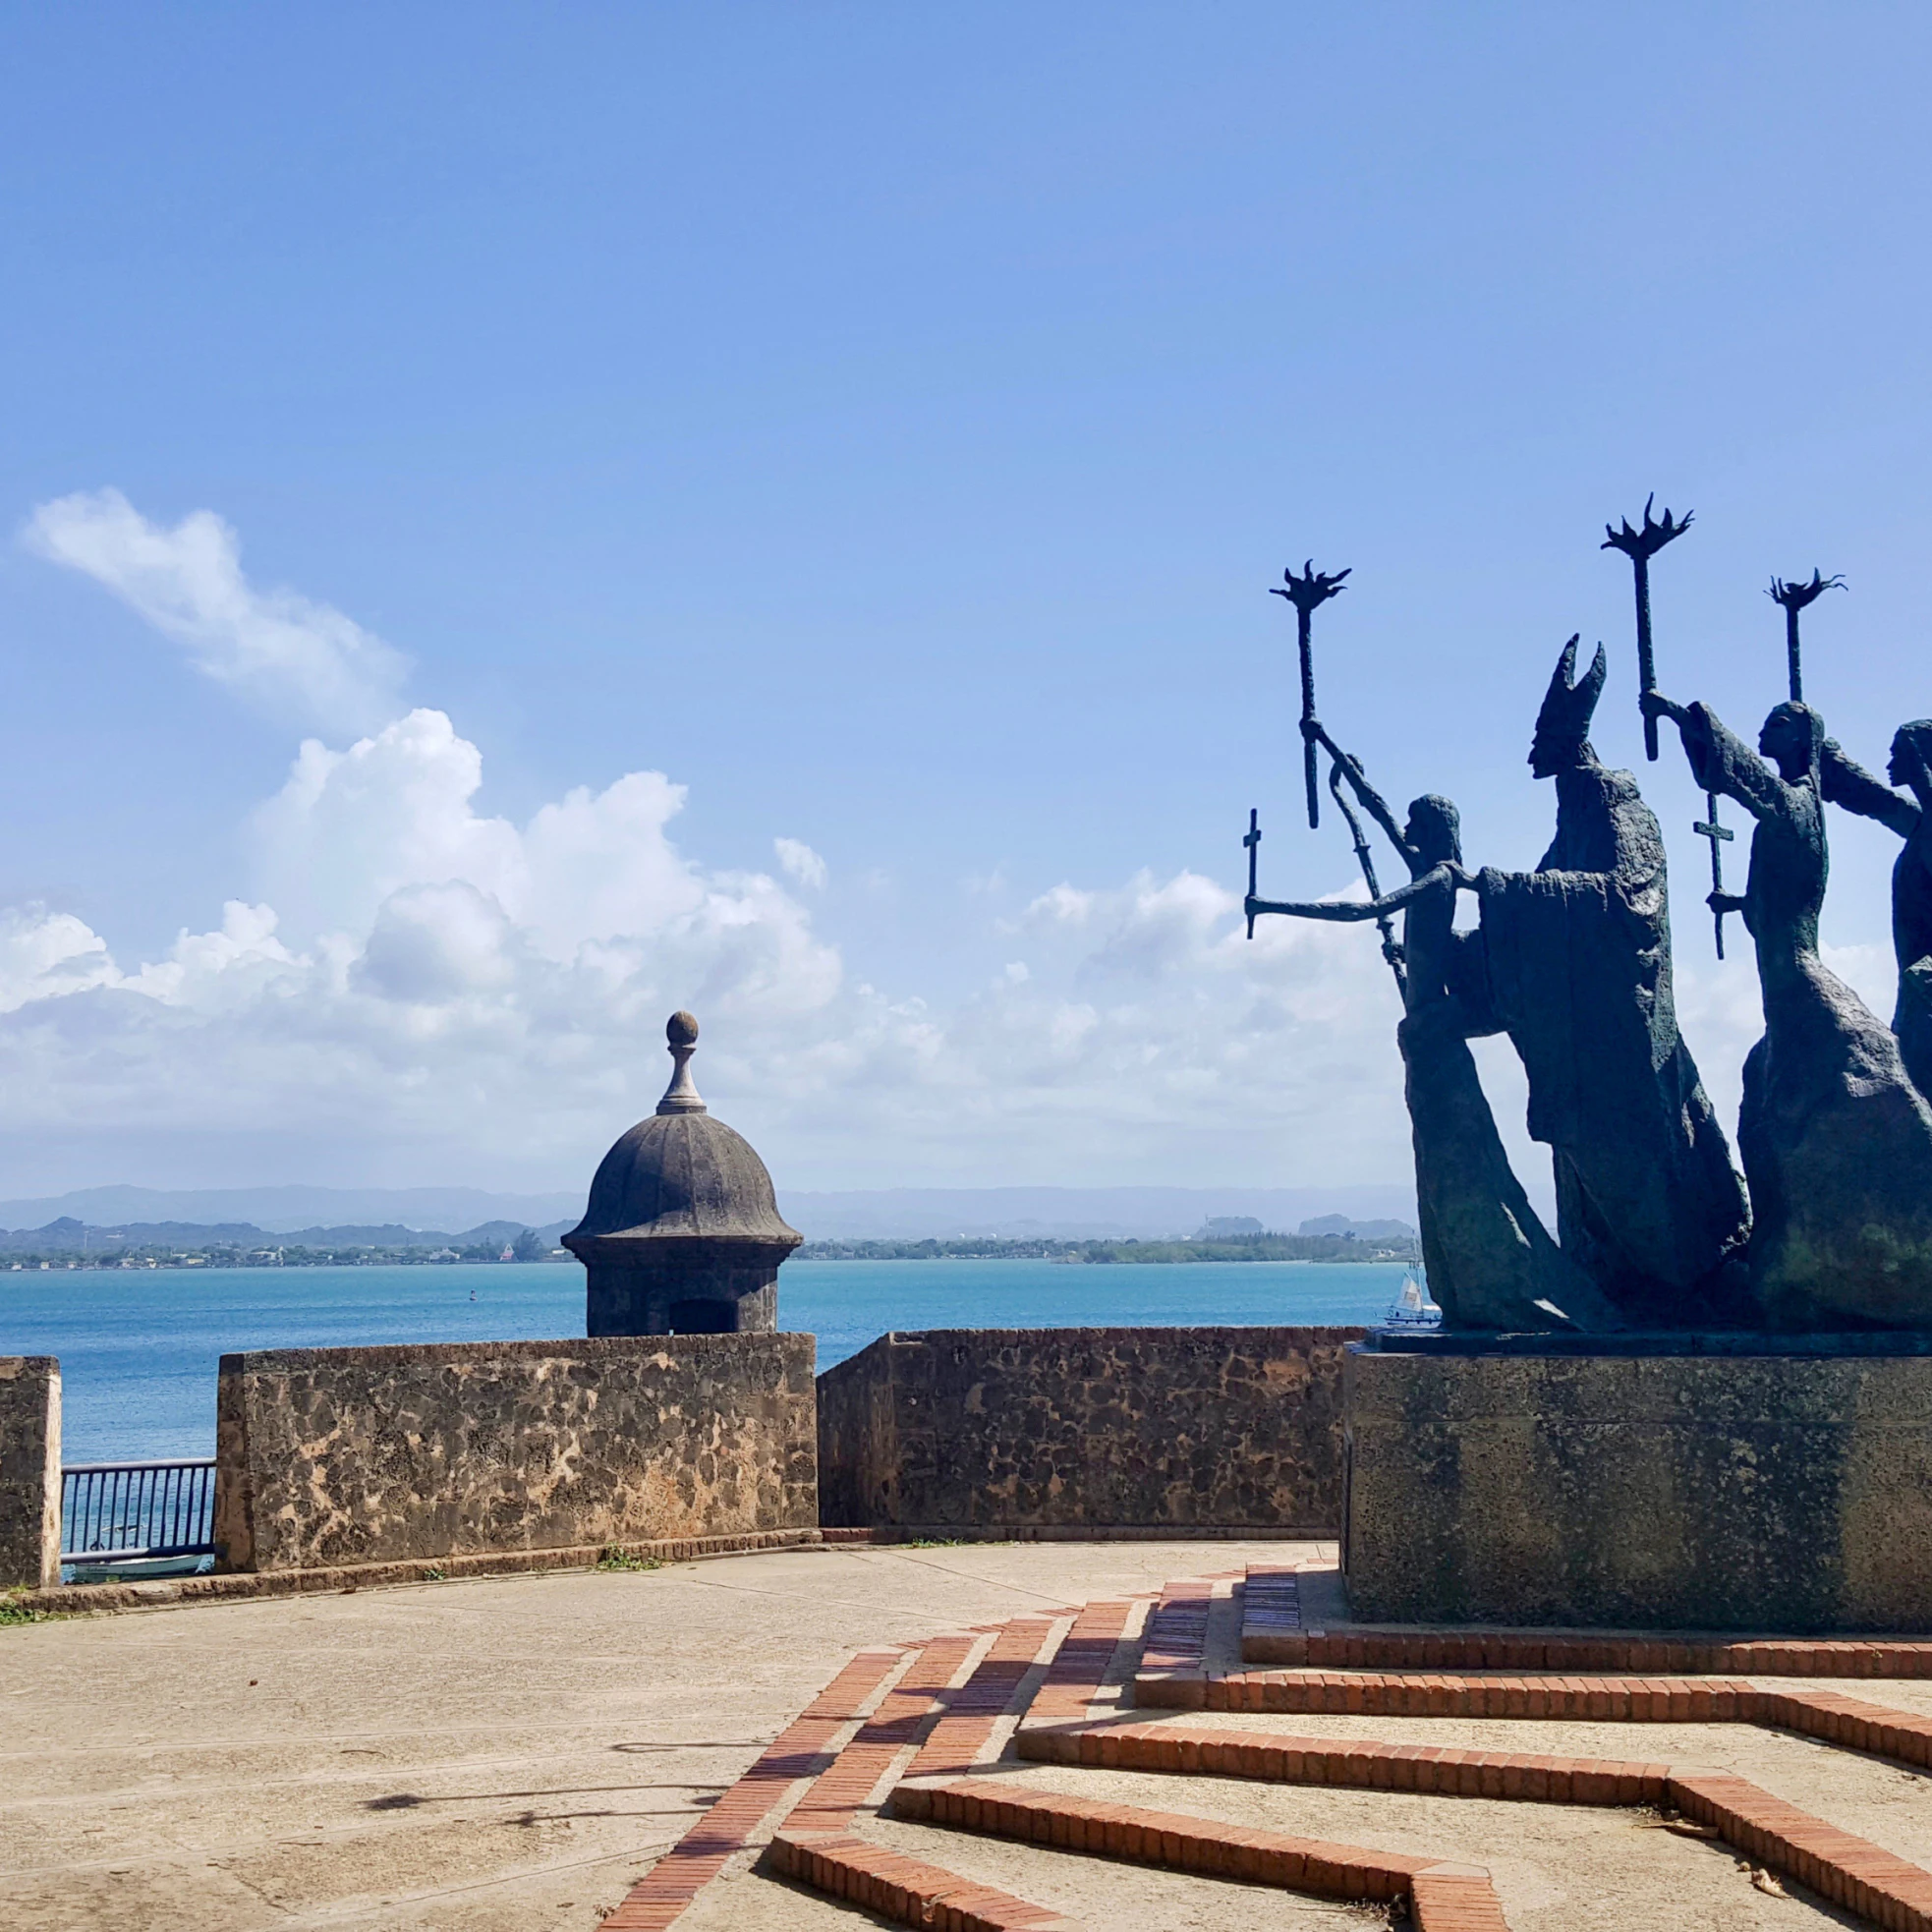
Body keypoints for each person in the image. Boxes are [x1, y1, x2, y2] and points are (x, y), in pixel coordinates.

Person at [1249, 757, 1617, 1332]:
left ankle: (1502, 1277)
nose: (1409, 834)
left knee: (1452, 1149)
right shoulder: (1429, 863)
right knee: (1440, 1151)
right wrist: (1348, 773)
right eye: (1410, 826)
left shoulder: (1439, 876)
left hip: (1435, 1042)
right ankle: (1469, 1278)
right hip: (1424, 1037)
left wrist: (1274, 906)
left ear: (1437, 832)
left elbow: (1362, 909)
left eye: (1418, 825)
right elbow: (1384, 820)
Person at [1469, 640, 1750, 1324]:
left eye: (1551, 753)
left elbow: (1630, 899)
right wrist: (1469, 944)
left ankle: (1678, 1286)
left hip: (1622, 1048)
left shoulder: (1621, 814)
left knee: (1639, 1176)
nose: (1540, 765)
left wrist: (1506, 890)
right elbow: (1539, 902)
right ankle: (1619, 1286)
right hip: (1584, 1054)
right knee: (1592, 1180)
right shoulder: (1574, 820)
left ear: (1574, 757)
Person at [1646, 690, 1932, 1327]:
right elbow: (1783, 889)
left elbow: (1739, 772)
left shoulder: (1796, 801)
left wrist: (1685, 717)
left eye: (1777, 723)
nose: (1764, 729)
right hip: (1783, 972)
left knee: (1853, 1079)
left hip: (1798, 976)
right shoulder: (1799, 809)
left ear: (1802, 743)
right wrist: (1741, 905)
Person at [1819, 720, 1932, 1099]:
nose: (1890, 759)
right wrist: (1829, 760)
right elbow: (1877, 802)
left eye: (1898, 751)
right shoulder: (1922, 821)